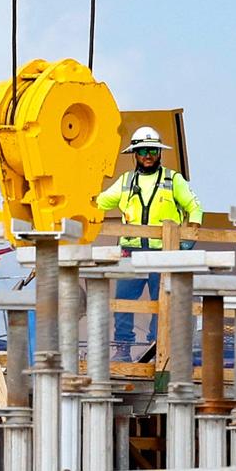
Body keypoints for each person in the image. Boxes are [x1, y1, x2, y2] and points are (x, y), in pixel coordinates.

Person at [96, 126, 203, 362]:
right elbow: (98, 202)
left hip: (162, 253)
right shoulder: (126, 182)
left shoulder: (173, 180)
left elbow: (194, 208)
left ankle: (158, 349)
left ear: (159, 153)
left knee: (161, 303)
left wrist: (188, 240)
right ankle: (122, 348)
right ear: (134, 153)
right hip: (130, 253)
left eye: (152, 151)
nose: (148, 156)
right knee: (124, 304)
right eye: (143, 150)